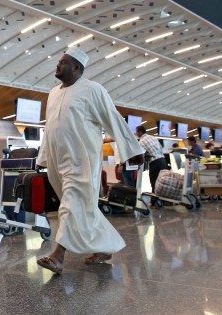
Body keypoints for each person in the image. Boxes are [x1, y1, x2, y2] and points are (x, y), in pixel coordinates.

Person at [35, 47, 144, 275]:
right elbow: (50, 127)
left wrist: (132, 149)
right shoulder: (53, 92)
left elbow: (112, 117)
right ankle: (105, 247)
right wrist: (43, 157)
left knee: (72, 204)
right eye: (58, 61)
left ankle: (58, 256)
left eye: (63, 62)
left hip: (81, 160)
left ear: (77, 68)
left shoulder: (93, 90)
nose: (58, 65)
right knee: (82, 208)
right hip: (57, 160)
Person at [135, 125, 167, 191]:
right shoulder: (153, 137)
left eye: (137, 132)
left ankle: (154, 200)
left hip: (155, 163)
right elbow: (160, 148)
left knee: (154, 183)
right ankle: (160, 200)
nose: (136, 134)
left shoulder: (141, 141)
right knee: (161, 183)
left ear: (140, 132)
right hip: (163, 161)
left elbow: (139, 155)